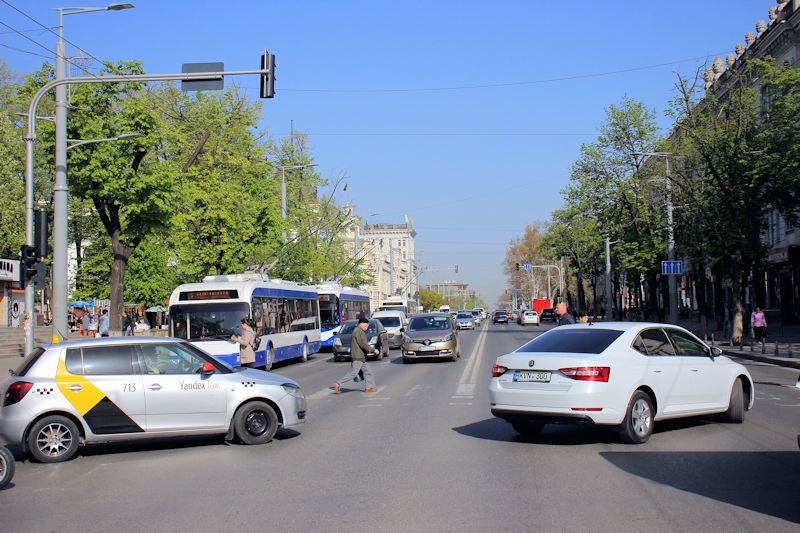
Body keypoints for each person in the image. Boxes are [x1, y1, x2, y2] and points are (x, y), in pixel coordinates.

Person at [333, 317, 379, 394]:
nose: (367, 326)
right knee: (353, 373)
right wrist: (373, 350)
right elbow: (363, 344)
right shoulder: (358, 332)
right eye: (366, 325)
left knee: (368, 372)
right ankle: (338, 383)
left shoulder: (358, 331)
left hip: (361, 356)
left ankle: (369, 387)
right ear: (361, 324)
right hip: (358, 356)